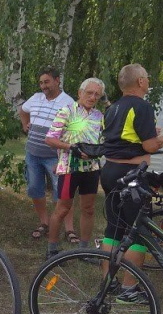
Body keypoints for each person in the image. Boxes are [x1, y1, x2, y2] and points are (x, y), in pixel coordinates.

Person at [100, 63, 163, 304]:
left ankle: (108, 283)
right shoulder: (142, 106)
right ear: (141, 82)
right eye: (147, 77)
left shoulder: (112, 108)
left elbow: (126, 136)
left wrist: (149, 134)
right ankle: (128, 290)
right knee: (138, 231)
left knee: (114, 227)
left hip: (110, 170)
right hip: (131, 173)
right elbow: (149, 146)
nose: (148, 80)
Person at [44, 77, 106, 259]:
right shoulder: (66, 111)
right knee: (62, 209)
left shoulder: (99, 117)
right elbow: (50, 139)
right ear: (80, 92)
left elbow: (104, 139)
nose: (93, 97)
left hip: (91, 169)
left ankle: (84, 251)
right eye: (89, 93)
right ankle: (52, 250)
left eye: (97, 94)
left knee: (88, 209)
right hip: (69, 167)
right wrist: (71, 148)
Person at [19, 67, 76, 241]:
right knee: (35, 189)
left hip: (55, 156)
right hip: (33, 154)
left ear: (57, 80)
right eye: (41, 82)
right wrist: (24, 124)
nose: (43, 86)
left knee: (63, 192)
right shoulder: (36, 98)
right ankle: (44, 222)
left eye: (47, 82)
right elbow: (23, 109)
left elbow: (74, 128)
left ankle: (69, 229)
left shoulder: (68, 102)